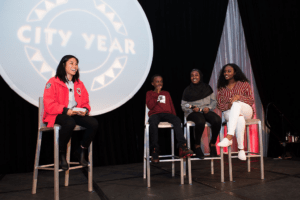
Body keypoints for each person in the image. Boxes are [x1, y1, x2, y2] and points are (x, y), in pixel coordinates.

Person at [43, 55, 98, 170]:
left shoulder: (79, 84)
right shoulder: (53, 82)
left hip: (74, 113)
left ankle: (81, 150)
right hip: (57, 114)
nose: (74, 66)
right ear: (63, 65)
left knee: (93, 123)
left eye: (76, 64)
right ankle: (61, 154)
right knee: (69, 123)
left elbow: (85, 101)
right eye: (71, 63)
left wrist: (85, 110)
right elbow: (49, 104)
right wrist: (64, 110)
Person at [146, 75, 194, 163]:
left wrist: (174, 117)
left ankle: (182, 146)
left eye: (161, 81)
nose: (159, 83)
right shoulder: (149, 93)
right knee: (153, 122)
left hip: (167, 114)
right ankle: (155, 150)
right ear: (152, 83)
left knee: (177, 120)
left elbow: (171, 106)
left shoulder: (166, 93)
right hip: (155, 114)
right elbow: (150, 105)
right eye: (157, 81)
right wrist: (157, 93)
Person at [216, 63, 254, 160]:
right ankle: (241, 149)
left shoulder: (244, 83)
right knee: (239, 118)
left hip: (246, 111)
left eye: (229, 71)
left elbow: (251, 100)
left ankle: (229, 137)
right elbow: (219, 105)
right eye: (224, 71)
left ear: (235, 72)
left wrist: (238, 97)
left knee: (237, 104)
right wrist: (228, 105)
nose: (226, 73)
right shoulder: (222, 88)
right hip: (229, 112)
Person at [181, 69, 221, 159]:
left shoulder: (207, 88)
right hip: (193, 113)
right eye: (192, 75)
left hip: (206, 110)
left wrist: (209, 108)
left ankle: (212, 143)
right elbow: (183, 106)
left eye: (196, 75)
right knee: (200, 120)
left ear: (200, 76)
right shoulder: (187, 90)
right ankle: (197, 145)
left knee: (217, 120)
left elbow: (214, 102)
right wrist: (191, 108)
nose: (194, 77)